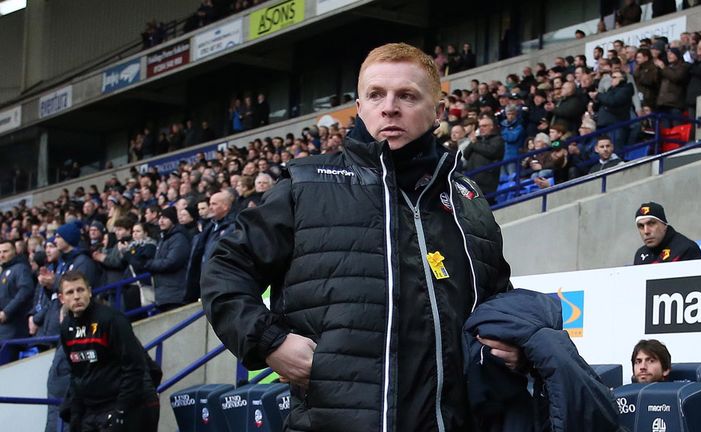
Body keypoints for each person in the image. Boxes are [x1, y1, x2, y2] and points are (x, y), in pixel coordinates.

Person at [201, 43, 517, 432]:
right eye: (376, 94)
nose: (389, 107)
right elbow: (225, 269)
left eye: (407, 95)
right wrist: (269, 341)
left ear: (437, 109)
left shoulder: (466, 199)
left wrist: (513, 342)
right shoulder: (306, 184)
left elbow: (498, 298)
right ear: (360, 106)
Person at [59, 271, 159, 431]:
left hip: (125, 403)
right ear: (62, 298)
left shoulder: (111, 319)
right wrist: (76, 414)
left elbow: (135, 367)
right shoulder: (66, 328)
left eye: (81, 290)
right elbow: (77, 373)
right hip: (92, 408)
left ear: (89, 292)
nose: (76, 296)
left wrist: (121, 410)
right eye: (70, 292)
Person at [128, 207, 190, 312]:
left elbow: (171, 262)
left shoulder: (179, 238)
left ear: (173, 220)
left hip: (175, 295)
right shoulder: (163, 239)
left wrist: (147, 264)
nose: (161, 221)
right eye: (160, 218)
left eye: (165, 218)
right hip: (163, 295)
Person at [633, 201, 701, 265]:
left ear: (664, 225)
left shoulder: (686, 249)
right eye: (641, 226)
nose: (646, 231)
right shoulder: (640, 254)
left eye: (651, 223)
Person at [0, 240, 35, 359]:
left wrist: (6, 312)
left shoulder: (20, 268)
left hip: (14, 330)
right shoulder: (4, 271)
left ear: (14, 251)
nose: (2, 255)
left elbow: (25, 290)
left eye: (5, 251)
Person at [463, 115, 505, 197]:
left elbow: (491, 152)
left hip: (487, 182)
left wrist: (475, 143)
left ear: (492, 127)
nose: (481, 128)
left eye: (484, 126)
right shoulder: (477, 140)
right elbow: (466, 154)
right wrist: (473, 142)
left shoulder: (497, 139)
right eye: (480, 126)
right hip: (472, 180)